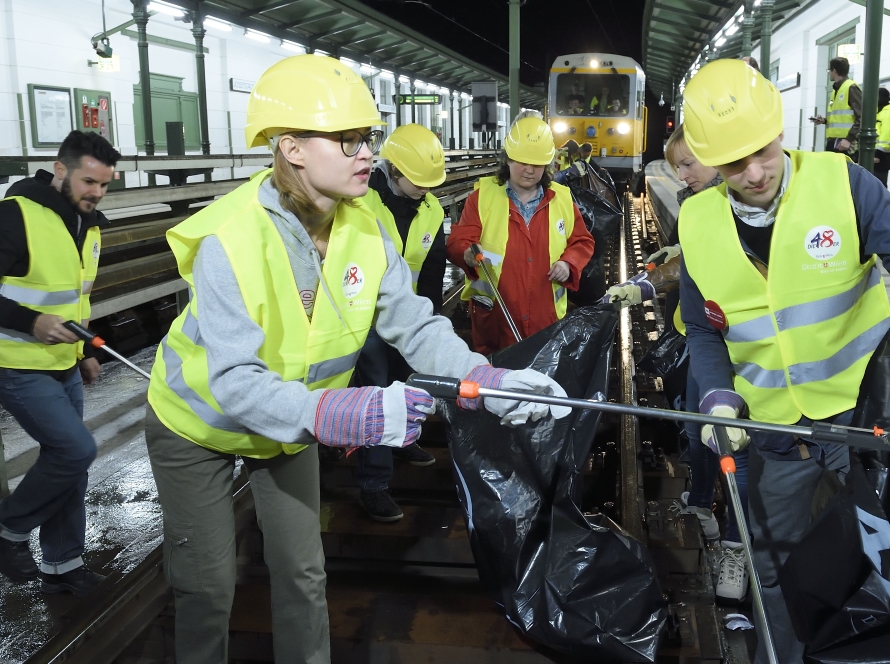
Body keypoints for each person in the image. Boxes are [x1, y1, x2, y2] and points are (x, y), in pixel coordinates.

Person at [142, 55, 569, 664]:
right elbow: (234, 383)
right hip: (200, 425)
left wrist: (485, 377)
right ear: (290, 148)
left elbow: (415, 325)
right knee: (208, 585)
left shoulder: (365, 228)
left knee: (303, 573)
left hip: (290, 427)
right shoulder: (228, 240)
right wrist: (345, 412)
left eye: (365, 138)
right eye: (346, 140)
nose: (366, 152)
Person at [678, 59, 890, 664]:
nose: (754, 173)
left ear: (780, 128)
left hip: (864, 430)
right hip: (774, 433)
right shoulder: (697, 222)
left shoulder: (843, 182)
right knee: (772, 564)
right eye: (733, 163)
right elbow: (704, 331)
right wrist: (716, 398)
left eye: (762, 150)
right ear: (709, 162)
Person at [604, 123, 750, 604]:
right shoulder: (698, 205)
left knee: (737, 450)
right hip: (700, 339)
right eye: (677, 166)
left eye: (688, 164)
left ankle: (735, 545)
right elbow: (695, 265)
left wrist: (649, 284)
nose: (680, 174)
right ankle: (701, 503)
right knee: (695, 429)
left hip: (741, 345)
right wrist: (656, 277)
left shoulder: (743, 205)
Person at [0, 130, 119, 596]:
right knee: (75, 450)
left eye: (106, 185)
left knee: (71, 465)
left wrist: (85, 352)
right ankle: (9, 530)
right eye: (90, 181)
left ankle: (63, 565)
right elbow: (36, 307)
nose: (97, 193)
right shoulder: (15, 217)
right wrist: (30, 322)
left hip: (63, 362)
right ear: (61, 170)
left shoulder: (88, 227)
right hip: (17, 362)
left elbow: (76, 301)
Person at [353, 123, 447, 522]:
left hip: (405, 318)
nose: (426, 188)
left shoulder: (432, 209)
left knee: (406, 382)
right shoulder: (358, 203)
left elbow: (432, 272)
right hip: (365, 320)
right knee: (374, 392)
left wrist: (429, 324)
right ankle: (374, 483)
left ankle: (404, 441)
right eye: (418, 180)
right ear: (393, 170)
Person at [448, 117, 595, 355]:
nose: (529, 170)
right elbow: (458, 240)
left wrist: (569, 263)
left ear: (547, 165)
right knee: (496, 385)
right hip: (496, 319)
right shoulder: (482, 197)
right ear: (507, 159)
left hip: (545, 322)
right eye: (522, 162)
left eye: (537, 164)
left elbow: (582, 241)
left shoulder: (562, 199)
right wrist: (466, 252)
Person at [809, 57, 861, 162]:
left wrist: (849, 139)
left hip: (845, 144)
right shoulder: (836, 90)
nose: (829, 73)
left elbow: (862, 116)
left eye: (829, 71)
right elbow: (842, 117)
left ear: (835, 71)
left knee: (846, 176)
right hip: (834, 143)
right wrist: (824, 121)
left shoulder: (851, 87)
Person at [874, 87, 890, 187]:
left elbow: (886, 136)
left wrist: (877, 154)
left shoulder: (888, 114)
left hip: (881, 156)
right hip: (876, 154)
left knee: (879, 186)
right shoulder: (879, 112)